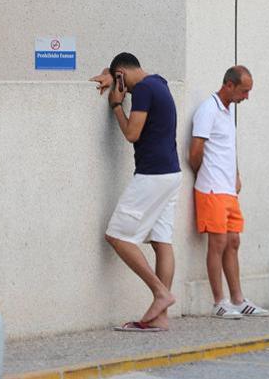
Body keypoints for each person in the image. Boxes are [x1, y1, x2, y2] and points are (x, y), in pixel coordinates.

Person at [90, 52, 182, 331]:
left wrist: (117, 106)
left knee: (116, 235)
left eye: (122, 83)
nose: (125, 90)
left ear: (122, 75)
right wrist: (110, 73)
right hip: (171, 173)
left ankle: (160, 293)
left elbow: (132, 133)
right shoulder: (159, 83)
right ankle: (160, 319)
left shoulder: (141, 90)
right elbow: (121, 69)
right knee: (161, 242)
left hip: (151, 175)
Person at [189, 65, 269, 319]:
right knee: (218, 242)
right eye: (244, 91)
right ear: (229, 85)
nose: (246, 97)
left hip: (228, 189)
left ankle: (238, 299)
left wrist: (235, 174)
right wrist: (203, 173)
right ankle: (219, 302)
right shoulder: (208, 109)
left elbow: (227, 148)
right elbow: (195, 150)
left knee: (234, 241)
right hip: (212, 188)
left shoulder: (227, 112)